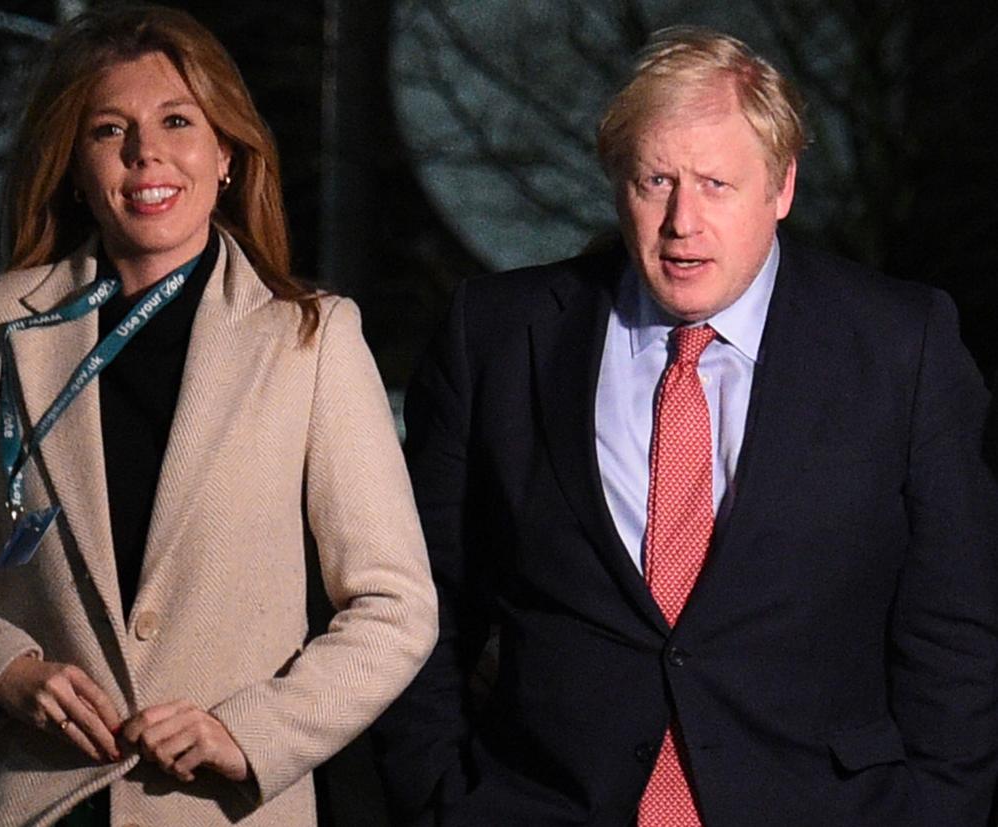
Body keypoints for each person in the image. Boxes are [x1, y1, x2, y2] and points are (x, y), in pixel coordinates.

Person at [373, 26, 998, 827]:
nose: (681, 221)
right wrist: (439, 800)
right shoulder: (498, 336)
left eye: (715, 184)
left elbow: (955, 637)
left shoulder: (897, 345)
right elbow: (421, 601)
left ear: (782, 187)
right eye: (655, 180)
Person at [0, 5, 436, 825]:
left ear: (225, 152)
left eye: (177, 120)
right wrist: (0, 671)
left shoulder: (313, 339)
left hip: (215, 807)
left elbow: (396, 606)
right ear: (76, 166)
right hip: (24, 800)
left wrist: (248, 733)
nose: (147, 152)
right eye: (109, 129)